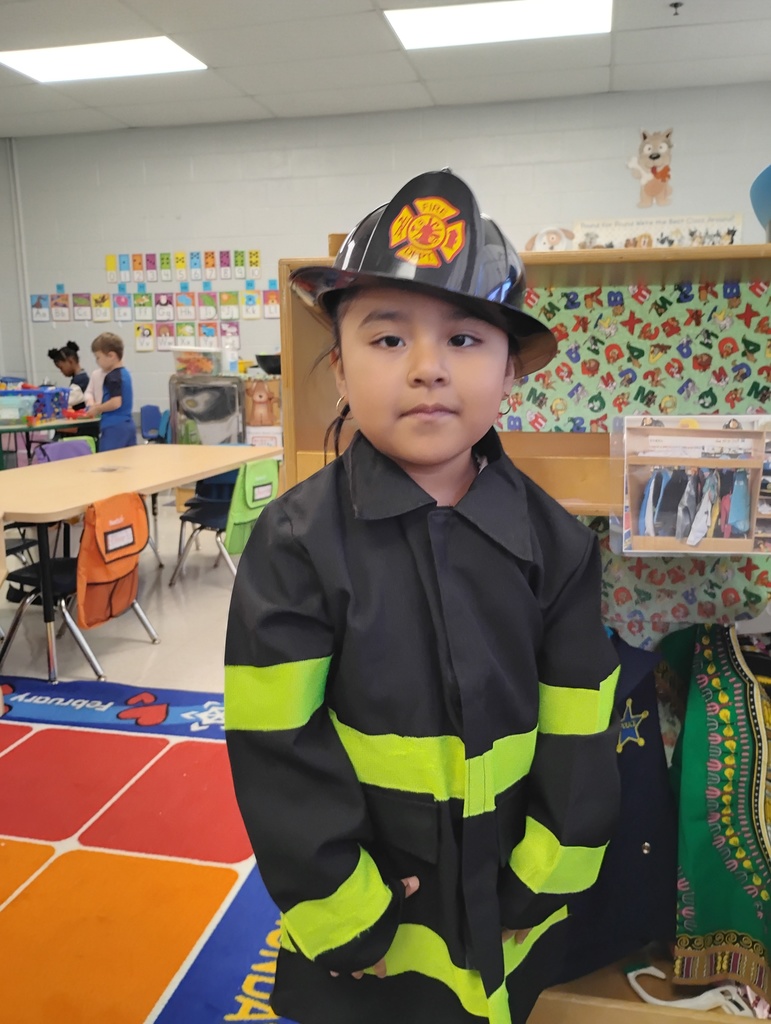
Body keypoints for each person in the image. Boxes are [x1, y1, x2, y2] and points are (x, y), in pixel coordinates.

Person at [224, 170, 621, 1024]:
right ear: (339, 369)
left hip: (509, 892)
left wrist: (542, 877)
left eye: (465, 339)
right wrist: (345, 909)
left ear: (510, 372)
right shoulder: (294, 543)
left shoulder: (555, 545)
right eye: (387, 337)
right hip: (372, 908)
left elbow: (581, 729)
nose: (428, 369)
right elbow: (274, 745)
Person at [88, 332, 136, 451]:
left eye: (98, 357)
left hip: (114, 427)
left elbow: (116, 402)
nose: (97, 361)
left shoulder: (112, 377)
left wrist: (98, 408)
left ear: (111, 356)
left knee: (108, 460)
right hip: (128, 425)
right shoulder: (125, 373)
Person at [47, 340, 89, 407]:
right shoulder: (79, 378)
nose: (61, 371)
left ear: (70, 361)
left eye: (61, 368)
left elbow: (67, 400)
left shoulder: (81, 380)